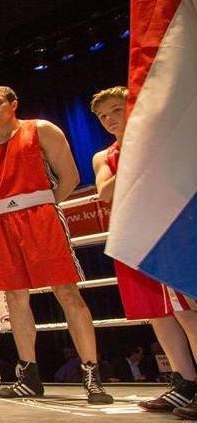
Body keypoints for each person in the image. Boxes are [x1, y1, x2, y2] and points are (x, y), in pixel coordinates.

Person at [0, 86, 111, 404]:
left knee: (67, 292)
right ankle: (29, 375)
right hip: (3, 222)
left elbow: (70, 177)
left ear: (14, 104)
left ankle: (92, 374)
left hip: (41, 217)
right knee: (14, 297)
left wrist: (44, 208)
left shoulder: (41, 129)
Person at [89, 86, 197, 415]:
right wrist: (136, 157)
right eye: (102, 116)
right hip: (134, 237)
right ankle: (185, 382)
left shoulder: (164, 140)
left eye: (115, 110)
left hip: (171, 231)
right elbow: (105, 192)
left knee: (187, 311)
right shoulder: (104, 156)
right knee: (158, 314)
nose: (109, 119)